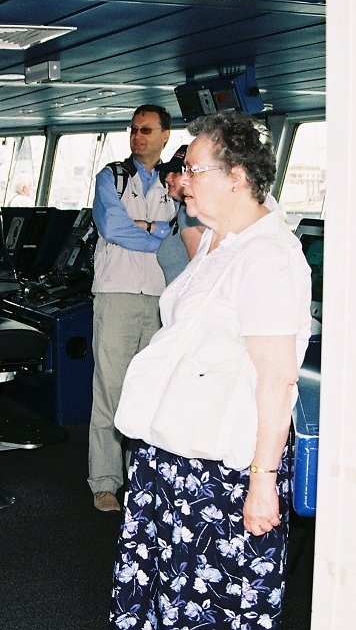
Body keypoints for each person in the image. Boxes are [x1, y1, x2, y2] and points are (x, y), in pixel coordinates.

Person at [109, 111, 312, 628]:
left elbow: (277, 379)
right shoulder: (222, 240)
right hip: (174, 454)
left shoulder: (268, 257)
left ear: (238, 177)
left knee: (210, 603)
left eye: (194, 170)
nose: (182, 181)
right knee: (160, 594)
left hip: (218, 471)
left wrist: (262, 481)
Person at [88, 104, 176, 512]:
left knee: (154, 392)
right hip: (117, 294)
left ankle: (142, 479)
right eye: (133, 130)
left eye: (146, 130)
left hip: (162, 298)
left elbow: (185, 233)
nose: (138, 136)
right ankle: (105, 480)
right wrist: (160, 234)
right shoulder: (112, 177)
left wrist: (147, 230)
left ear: (165, 136)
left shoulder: (176, 182)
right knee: (110, 389)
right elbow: (113, 228)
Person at [154, 145, 206, 284]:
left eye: (176, 173)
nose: (167, 178)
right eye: (167, 173)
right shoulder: (183, 213)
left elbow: (199, 270)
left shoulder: (189, 214)